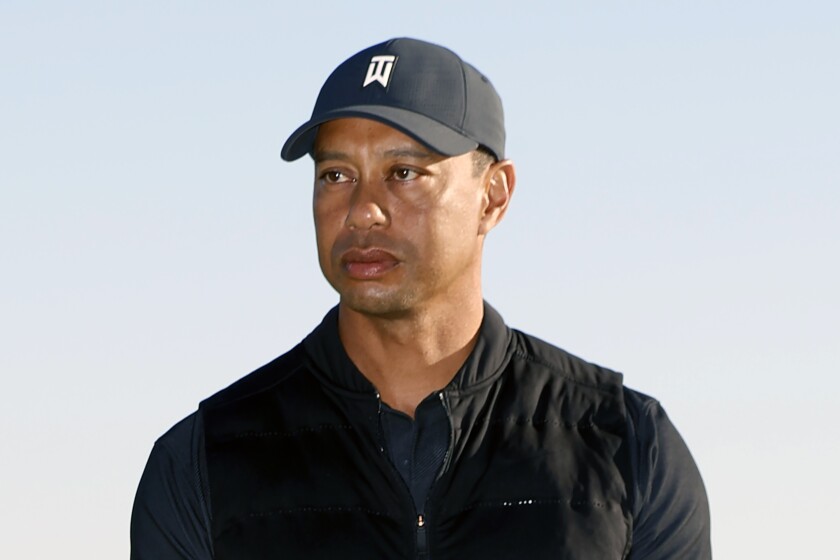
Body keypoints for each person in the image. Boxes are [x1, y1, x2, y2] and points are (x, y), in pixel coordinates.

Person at [130, 38, 711, 559]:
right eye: (335, 175)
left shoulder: (626, 445)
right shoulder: (201, 461)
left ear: (493, 195)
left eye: (404, 173)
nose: (362, 210)